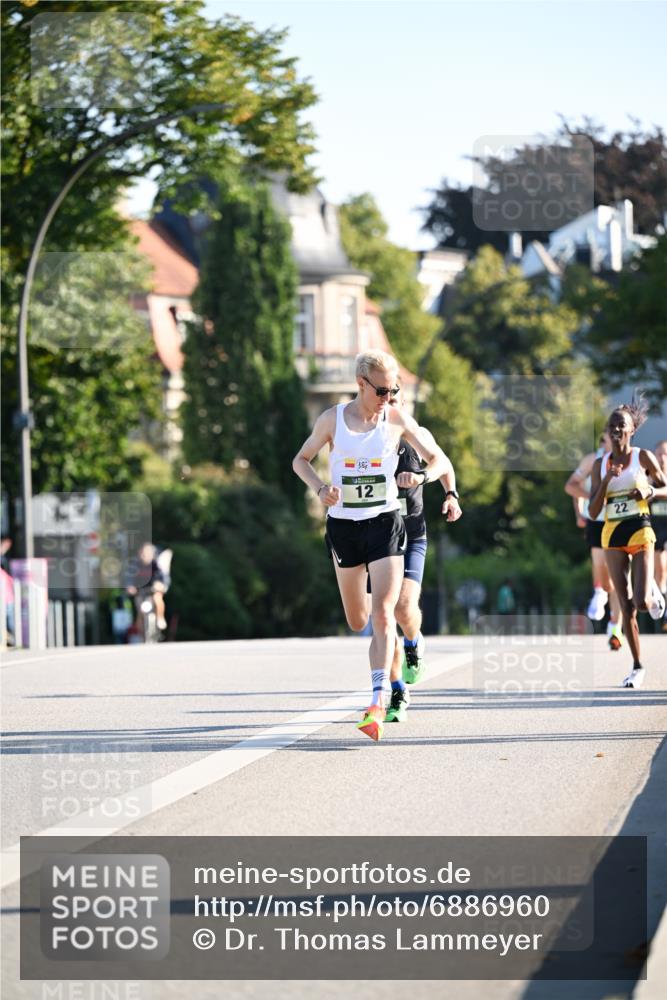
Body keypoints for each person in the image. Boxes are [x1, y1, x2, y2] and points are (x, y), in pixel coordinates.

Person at [292, 350, 447, 741]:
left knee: (383, 613)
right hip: (344, 527)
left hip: (385, 524)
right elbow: (301, 460)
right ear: (361, 384)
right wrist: (321, 488)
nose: (387, 398)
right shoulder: (332, 420)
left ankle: (379, 699)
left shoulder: (395, 419)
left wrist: (424, 478)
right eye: (381, 391)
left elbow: (437, 458)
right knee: (357, 620)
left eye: (392, 390)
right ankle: (385, 684)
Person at [381, 386, 462, 724]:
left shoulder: (417, 436)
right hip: (377, 536)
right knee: (383, 617)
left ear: (405, 406)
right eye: (384, 402)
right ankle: (397, 689)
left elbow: (443, 463)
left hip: (412, 534)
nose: (388, 408)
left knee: (403, 607)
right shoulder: (367, 439)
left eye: (394, 402)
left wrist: (449, 494)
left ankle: (414, 642)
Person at [588, 399, 667, 688]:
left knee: (642, 603)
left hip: (640, 529)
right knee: (626, 605)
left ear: (632, 429)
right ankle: (637, 667)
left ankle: (654, 595)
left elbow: (664, 486)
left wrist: (648, 491)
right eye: (612, 426)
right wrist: (607, 480)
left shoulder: (642, 457)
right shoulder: (600, 465)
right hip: (612, 535)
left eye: (621, 425)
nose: (616, 429)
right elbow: (593, 511)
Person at [565, 432, 624, 650]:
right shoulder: (592, 460)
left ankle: (615, 628)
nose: (617, 441)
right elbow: (572, 486)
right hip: (597, 520)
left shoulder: (631, 458)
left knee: (620, 577)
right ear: (603, 440)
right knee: (601, 567)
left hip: (622, 522)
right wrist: (583, 508)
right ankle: (600, 591)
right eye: (612, 436)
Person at [126, 542, 168, 632]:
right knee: (140, 611)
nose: (145, 556)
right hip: (140, 591)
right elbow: (129, 578)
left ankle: (160, 618)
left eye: (148, 553)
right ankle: (141, 634)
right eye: (143, 553)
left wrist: (161, 584)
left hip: (153, 590)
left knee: (158, 598)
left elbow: (162, 577)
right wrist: (130, 587)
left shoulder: (155, 564)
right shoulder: (135, 565)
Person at [650, 439, 667, 629]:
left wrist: (654, 492)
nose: (662, 458)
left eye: (666, 454)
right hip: (655, 528)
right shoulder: (649, 477)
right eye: (659, 454)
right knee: (660, 570)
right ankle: (662, 604)